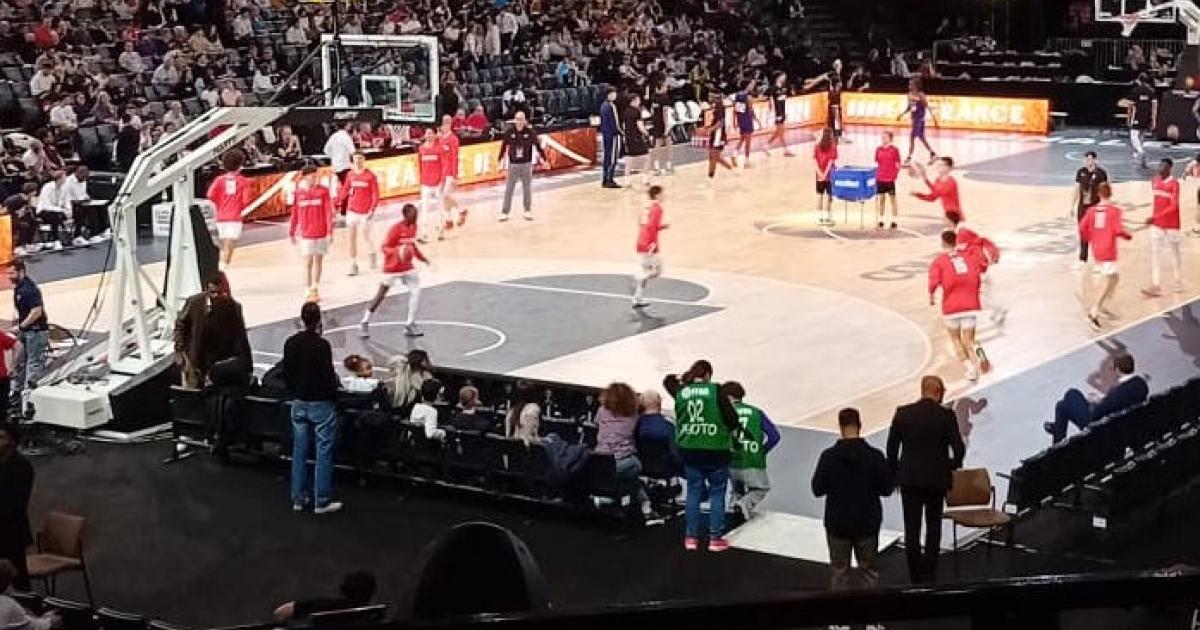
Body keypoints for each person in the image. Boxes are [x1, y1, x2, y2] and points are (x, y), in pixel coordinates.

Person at [886, 375, 965, 584]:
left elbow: (891, 449)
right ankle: (930, 575)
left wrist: (894, 475)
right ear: (938, 392)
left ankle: (915, 577)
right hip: (935, 481)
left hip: (910, 480)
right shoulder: (946, 416)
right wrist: (949, 466)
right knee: (933, 527)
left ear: (923, 390)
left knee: (911, 529)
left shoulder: (903, 414)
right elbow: (959, 449)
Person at [812, 408, 894, 592]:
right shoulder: (875, 456)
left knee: (839, 572)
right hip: (867, 522)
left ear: (840, 426)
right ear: (860, 425)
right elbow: (887, 489)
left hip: (837, 523)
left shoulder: (828, 457)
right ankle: (870, 616)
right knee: (869, 571)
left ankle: (841, 618)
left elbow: (817, 489)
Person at [672, 359, 740, 552]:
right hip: (716, 449)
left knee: (693, 491)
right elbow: (732, 420)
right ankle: (715, 538)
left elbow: (669, 383)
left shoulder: (682, 392)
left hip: (689, 449)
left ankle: (691, 538)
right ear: (709, 374)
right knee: (717, 492)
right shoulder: (716, 390)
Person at [282, 302, 342, 514]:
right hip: (320, 404)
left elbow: (286, 373)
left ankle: (298, 498)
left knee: (299, 451)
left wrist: (295, 392)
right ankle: (321, 500)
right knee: (323, 451)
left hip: (298, 402)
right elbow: (327, 377)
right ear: (319, 320)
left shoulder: (290, 343)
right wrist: (333, 397)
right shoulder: (321, 346)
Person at [1043, 353, 1149, 443]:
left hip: (1099, 426)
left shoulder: (1116, 393)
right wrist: (1104, 400)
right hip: (1124, 422)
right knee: (1062, 406)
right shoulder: (1141, 384)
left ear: (1117, 369)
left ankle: (1058, 438)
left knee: (1072, 393)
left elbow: (1096, 414)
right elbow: (1115, 402)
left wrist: (1095, 402)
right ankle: (1058, 431)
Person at [360, 204, 429, 339]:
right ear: (405, 215)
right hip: (392, 268)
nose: (415, 218)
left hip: (407, 267)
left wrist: (423, 258)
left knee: (416, 290)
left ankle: (410, 324)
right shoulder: (395, 229)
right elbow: (384, 248)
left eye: (416, 215)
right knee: (380, 295)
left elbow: (412, 246)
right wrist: (397, 252)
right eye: (412, 215)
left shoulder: (414, 227)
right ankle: (365, 321)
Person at [594, 382, 659, 523]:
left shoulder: (601, 411)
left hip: (600, 462)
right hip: (624, 462)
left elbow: (597, 424)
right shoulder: (633, 415)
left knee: (630, 479)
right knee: (634, 472)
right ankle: (646, 508)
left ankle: (645, 507)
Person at [173, 272, 250, 391]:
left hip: (219, 365)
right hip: (194, 363)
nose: (217, 296)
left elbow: (241, 336)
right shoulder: (194, 303)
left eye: (220, 292)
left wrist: (247, 364)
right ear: (206, 291)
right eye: (213, 293)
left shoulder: (233, 307)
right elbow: (180, 324)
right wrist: (180, 351)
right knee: (193, 398)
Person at [929, 229, 988, 381]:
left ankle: (970, 369)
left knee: (956, 339)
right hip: (970, 303)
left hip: (952, 306)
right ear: (956, 242)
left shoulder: (939, 261)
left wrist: (931, 295)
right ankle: (981, 356)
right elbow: (981, 266)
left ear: (943, 243)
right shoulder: (968, 256)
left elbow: (934, 282)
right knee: (970, 340)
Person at [723, 381, 780, 521]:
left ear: (729, 397)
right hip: (752, 460)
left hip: (731, 460)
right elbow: (774, 436)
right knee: (761, 488)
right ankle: (743, 504)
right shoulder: (756, 413)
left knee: (737, 488)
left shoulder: (723, 413)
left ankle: (733, 511)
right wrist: (761, 451)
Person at [1079, 182, 1132, 330]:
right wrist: (1128, 236)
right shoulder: (1114, 211)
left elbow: (1082, 228)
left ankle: (1104, 302)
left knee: (1114, 278)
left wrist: (1091, 238)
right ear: (1111, 193)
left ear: (1098, 194)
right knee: (1109, 279)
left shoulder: (1091, 211)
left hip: (1097, 249)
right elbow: (1118, 230)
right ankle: (1095, 310)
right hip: (1108, 250)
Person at [289, 165, 334, 303]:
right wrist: (292, 231)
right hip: (306, 233)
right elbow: (295, 213)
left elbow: (328, 212)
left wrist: (330, 231)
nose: (315, 178)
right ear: (305, 177)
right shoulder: (298, 193)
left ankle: (315, 287)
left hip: (321, 232)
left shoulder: (323, 191)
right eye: (312, 176)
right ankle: (307, 290)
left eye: (316, 175)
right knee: (307, 261)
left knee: (318, 260)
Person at [1143, 158, 1182, 297]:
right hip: (1157, 225)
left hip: (1172, 225)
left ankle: (1178, 281)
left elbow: (1174, 206)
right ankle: (1156, 285)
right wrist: (1155, 218)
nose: (1160, 168)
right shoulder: (1154, 181)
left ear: (1170, 168)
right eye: (1160, 165)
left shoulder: (1174, 184)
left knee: (1174, 253)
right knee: (1156, 254)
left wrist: (1155, 217)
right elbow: (1156, 202)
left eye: (1164, 166)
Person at [0, 425, 33, 591]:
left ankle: (28, 613)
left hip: (12, 532)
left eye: (1, 438)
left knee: (18, 578)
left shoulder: (21, 466)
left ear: (12, 441)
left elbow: (17, 503)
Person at [9, 262, 46, 406]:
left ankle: (30, 396)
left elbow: (37, 311)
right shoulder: (19, 288)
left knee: (33, 363)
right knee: (21, 362)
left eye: (12, 273)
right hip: (26, 331)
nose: (9, 277)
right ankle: (17, 392)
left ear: (21, 271)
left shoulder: (30, 289)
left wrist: (21, 326)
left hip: (35, 331)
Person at [337, 153, 380, 277]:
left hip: (366, 212)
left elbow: (375, 194)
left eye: (360, 158)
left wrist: (372, 210)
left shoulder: (370, 176)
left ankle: (372, 254)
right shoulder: (350, 175)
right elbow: (345, 190)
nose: (358, 161)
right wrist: (336, 202)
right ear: (353, 161)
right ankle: (353, 264)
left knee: (367, 237)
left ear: (364, 159)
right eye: (356, 159)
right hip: (352, 210)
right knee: (351, 237)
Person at [274, 570, 377, 621]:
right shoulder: (373, 618)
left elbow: (281, 612)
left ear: (343, 588)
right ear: (372, 592)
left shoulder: (322, 606)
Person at [207, 149, 251, 267]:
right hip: (235, 217)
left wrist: (220, 204)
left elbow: (210, 195)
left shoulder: (219, 180)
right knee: (230, 243)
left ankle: (223, 263)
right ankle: (224, 265)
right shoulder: (243, 181)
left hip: (221, 217)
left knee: (225, 242)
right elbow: (246, 200)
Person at [497, 111, 544, 221]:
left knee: (527, 188)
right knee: (509, 189)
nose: (519, 121)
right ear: (514, 120)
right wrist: (500, 160)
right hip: (513, 164)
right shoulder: (509, 132)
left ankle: (527, 210)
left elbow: (537, 146)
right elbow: (504, 146)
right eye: (517, 119)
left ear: (524, 120)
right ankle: (505, 212)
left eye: (521, 119)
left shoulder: (530, 132)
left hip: (526, 164)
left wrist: (544, 159)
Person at [632, 185, 668, 308]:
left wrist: (662, 227)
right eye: (663, 194)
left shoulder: (645, 207)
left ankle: (638, 297)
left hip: (640, 241)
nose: (664, 196)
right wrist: (652, 242)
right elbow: (652, 226)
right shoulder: (657, 208)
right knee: (657, 270)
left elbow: (640, 222)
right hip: (649, 244)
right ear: (657, 195)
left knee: (649, 270)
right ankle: (639, 277)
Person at [1073, 151, 1109, 267]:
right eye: (1086, 160)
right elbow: (1076, 189)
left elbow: (1105, 190)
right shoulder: (1081, 172)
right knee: (1083, 232)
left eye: (1090, 159)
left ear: (1095, 160)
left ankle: (1099, 260)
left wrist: (1105, 204)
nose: (1088, 162)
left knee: (1097, 234)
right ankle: (1082, 259)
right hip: (1082, 207)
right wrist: (1072, 205)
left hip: (1095, 207)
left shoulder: (1101, 173)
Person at [896, 77, 938, 165]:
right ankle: (933, 154)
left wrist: (934, 118)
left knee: (912, 137)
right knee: (922, 138)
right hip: (914, 118)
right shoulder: (909, 94)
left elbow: (927, 106)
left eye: (910, 84)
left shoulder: (921, 94)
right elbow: (909, 107)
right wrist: (902, 114)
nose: (909, 85)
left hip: (919, 119)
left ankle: (909, 158)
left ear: (915, 85)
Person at [635, 390, 679, 469]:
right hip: (666, 469)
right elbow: (675, 454)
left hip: (642, 468)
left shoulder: (636, 425)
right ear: (659, 404)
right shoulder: (669, 425)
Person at [804, 59, 846, 142]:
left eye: (840, 63)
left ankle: (834, 136)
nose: (840, 65)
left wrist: (812, 82)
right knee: (836, 119)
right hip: (834, 101)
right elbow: (821, 78)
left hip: (836, 100)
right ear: (836, 65)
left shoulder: (839, 75)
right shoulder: (832, 74)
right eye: (838, 64)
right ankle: (836, 137)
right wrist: (811, 83)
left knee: (834, 119)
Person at [912, 157, 961, 226]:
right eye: (938, 165)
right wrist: (918, 194)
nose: (938, 167)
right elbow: (933, 196)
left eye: (941, 165)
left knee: (950, 233)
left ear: (948, 167)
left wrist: (924, 175)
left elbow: (935, 194)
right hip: (947, 212)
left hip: (953, 213)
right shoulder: (938, 180)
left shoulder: (951, 182)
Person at [439, 115, 468, 229]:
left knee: (446, 195)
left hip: (450, 172)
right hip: (442, 172)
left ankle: (461, 210)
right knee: (444, 197)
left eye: (445, 123)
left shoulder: (453, 139)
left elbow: (455, 157)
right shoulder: (440, 139)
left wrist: (455, 175)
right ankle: (449, 219)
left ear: (449, 124)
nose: (443, 126)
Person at [417, 130, 445, 241]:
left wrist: (442, 181)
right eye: (427, 133)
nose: (428, 135)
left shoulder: (440, 148)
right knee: (425, 208)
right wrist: (421, 179)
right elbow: (419, 165)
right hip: (425, 183)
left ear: (434, 135)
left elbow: (444, 165)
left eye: (430, 133)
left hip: (438, 183)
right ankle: (424, 233)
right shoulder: (421, 148)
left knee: (440, 208)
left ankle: (441, 230)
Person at [323, 121, 356, 212]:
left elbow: (326, 150)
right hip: (345, 166)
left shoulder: (333, 136)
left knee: (342, 188)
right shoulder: (346, 137)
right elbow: (352, 152)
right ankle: (344, 210)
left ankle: (342, 208)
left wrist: (334, 156)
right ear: (346, 126)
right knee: (347, 189)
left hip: (335, 166)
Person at [1126, 73, 1157, 169]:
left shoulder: (1135, 90)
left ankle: (1140, 151)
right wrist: (1153, 119)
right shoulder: (1152, 91)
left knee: (1133, 136)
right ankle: (1141, 157)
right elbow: (1155, 106)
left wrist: (1128, 117)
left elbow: (1130, 105)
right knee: (1141, 135)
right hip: (1147, 117)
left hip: (1137, 116)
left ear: (1139, 80)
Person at [621, 94, 650, 188]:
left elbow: (624, 126)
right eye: (638, 100)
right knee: (647, 158)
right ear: (633, 101)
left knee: (629, 161)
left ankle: (627, 181)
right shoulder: (637, 111)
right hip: (637, 138)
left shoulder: (625, 112)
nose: (639, 101)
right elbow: (640, 125)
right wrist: (646, 133)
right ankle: (645, 179)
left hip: (628, 138)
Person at [874, 131, 901, 229]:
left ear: (890, 139)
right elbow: (877, 161)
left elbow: (898, 164)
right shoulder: (878, 149)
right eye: (882, 137)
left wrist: (895, 174)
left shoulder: (895, 150)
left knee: (893, 200)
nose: (883, 139)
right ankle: (881, 220)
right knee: (881, 200)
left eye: (885, 137)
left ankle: (894, 220)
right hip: (880, 178)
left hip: (890, 179)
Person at [703, 91, 733, 179]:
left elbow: (720, 122)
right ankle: (711, 175)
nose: (708, 96)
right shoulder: (716, 105)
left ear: (715, 96)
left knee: (715, 157)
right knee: (712, 157)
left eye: (710, 95)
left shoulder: (719, 106)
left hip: (718, 135)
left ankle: (731, 170)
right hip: (715, 134)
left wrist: (710, 129)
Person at [731, 81, 760, 168]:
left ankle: (734, 154)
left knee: (742, 138)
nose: (752, 86)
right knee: (748, 141)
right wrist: (757, 120)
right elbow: (751, 111)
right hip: (747, 119)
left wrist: (734, 121)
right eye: (751, 84)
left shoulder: (737, 95)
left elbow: (735, 110)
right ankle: (747, 162)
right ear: (747, 86)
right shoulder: (748, 97)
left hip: (740, 119)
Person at [765, 72, 794, 157]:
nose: (785, 78)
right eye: (783, 76)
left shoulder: (785, 87)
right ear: (778, 77)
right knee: (780, 131)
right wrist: (774, 113)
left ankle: (767, 146)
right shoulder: (773, 88)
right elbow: (771, 102)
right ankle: (785, 150)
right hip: (777, 112)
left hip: (783, 111)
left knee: (780, 132)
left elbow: (785, 98)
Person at [813, 127, 837, 226]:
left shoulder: (817, 146)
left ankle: (819, 218)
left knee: (819, 196)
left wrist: (819, 173)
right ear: (831, 136)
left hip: (819, 176)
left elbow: (814, 161)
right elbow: (831, 162)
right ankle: (827, 217)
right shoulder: (833, 147)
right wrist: (825, 174)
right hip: (830, 175)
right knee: (829, 197)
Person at [648, 82, 673, 175]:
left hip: (656, 123)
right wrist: (666, 127)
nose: (666, 88)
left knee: (657, 144)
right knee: (669, 144)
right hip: (663, 123)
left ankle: (656, 167)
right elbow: (665, 113)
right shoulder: (665, 97)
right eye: (665, 86)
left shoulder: (653, 97)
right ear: (661, 87)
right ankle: (668, 166)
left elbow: (652, 110)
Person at [505, 380, 541, 444]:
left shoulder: (512, 411)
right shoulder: (533, 408)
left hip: (512, 446)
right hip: (526, 447)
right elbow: (529, 437)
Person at [599, 87, 621, 188]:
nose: (615, 95)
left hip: (605, 134)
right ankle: (610, 179)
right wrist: (619, 131)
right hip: (612, 135)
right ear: (609, 94)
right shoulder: (610, 106)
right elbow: (614, 122)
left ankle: (605, 179)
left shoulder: (603, 105)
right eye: (613, 93)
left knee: (607, 156)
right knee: (613, 157)